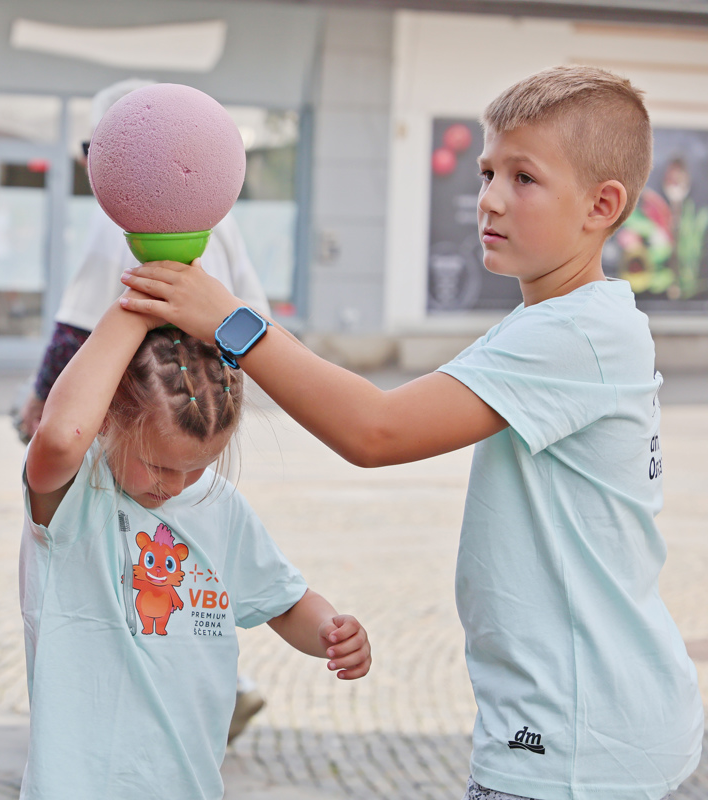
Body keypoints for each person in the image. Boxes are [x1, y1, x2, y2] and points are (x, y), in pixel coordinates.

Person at [120, 65, 703, 800]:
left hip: (576, 749)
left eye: (524, 179)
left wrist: (231, 322)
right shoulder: (569, 323)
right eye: (488, 170)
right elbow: (379, 407)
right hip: (609, 728)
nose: (488, 198)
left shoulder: (573, 335)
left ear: (602, 204)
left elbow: (377, 430)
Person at [20, 296, 371, 799]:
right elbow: (59, 434)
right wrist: (133, 310)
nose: (179, 485)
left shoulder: (218, 506)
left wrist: (329, 629)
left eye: (199, 466)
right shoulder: (75, 494)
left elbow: (284, 599)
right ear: (109, 413)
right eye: (160, 466)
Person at [14, 78, 270, 442]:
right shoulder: (219, 218)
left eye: (92, 147)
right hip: (210, 409)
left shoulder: (120, 217)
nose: (87, 161)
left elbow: (75, 327)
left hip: (139, 416)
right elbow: (256, 312)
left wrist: (40, 398)